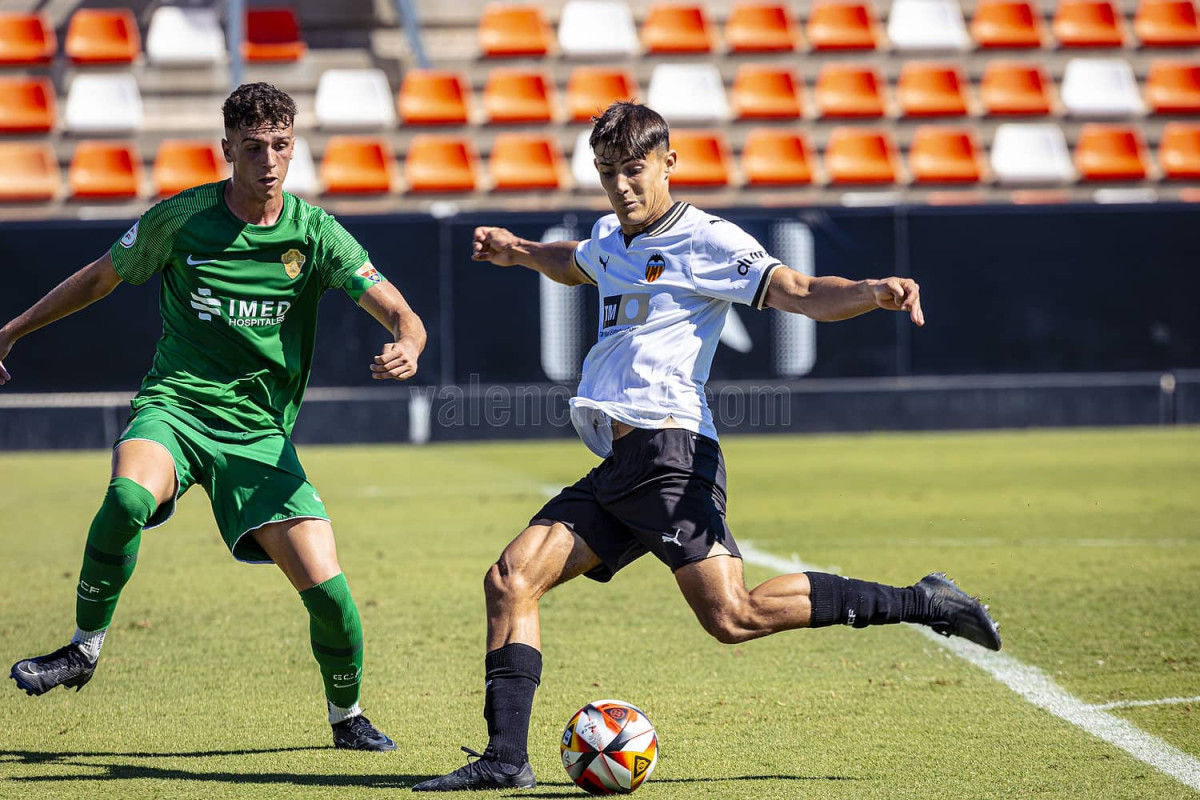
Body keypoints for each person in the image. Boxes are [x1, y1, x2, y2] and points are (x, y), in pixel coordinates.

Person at [411, 102, 1000, 791]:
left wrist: (871, 291)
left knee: (733, 616)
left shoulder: (708, 240)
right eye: (607, 172)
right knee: (511, 580)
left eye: (634, 169)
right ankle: (506, 759)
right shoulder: (610, 237)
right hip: (621, 465)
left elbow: (803, 290)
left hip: (673, 457)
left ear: (668, 163)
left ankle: (925, 602)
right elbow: (574, 262)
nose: (621, 186)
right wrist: (517, 251)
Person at [0, 83, 425, 752]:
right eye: (253, 147)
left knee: (331, 596)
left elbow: (399, 310)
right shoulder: (181, 219)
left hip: (258, 435)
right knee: (126, 497)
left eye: (280, 145)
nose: (268, 161)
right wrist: (11, 332)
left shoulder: (315, 233)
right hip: (176, 407)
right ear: (227, 149)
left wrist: (409, 342)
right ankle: (84, 647)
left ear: (294, 147)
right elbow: (100, 277)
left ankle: (346, 716)